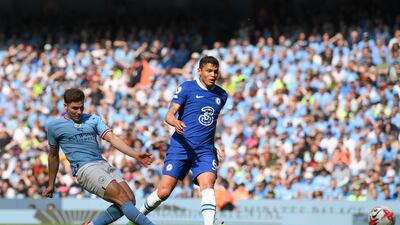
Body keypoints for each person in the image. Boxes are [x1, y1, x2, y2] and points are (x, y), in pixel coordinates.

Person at [134, 56, 228, 225]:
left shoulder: (222, 95)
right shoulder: (187, 88)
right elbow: (169, 115)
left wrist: (213, 145)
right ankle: (136, 219)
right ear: (199, 71)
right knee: (163, 192)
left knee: (207, 186)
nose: (213, 74)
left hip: (204, 150)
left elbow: (210, 123)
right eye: (208, 71)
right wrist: (175, 122)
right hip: (181, 147)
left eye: (215, 71)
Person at [42, 88, 155, 225]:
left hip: (102, 164)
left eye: (82, 107)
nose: (79, 112)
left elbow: (112, 138)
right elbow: (53, 156)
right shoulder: (54, 127)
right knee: (122, 198)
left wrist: (135, 154)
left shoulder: (93, 119)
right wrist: (51, 184)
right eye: (75, 108)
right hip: (85, 169)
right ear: (65, 106)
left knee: (130, 200)